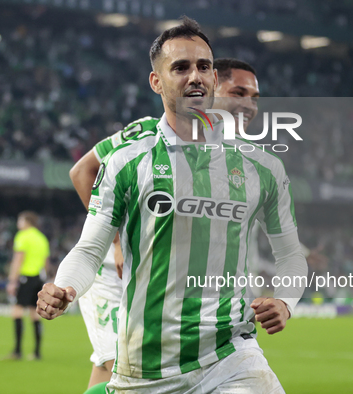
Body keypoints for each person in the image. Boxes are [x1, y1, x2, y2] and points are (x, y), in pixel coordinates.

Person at [39, 18, 307, 393]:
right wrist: (64, 287)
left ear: (214, 79)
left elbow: (291, 254)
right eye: (181, 68)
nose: (195, 76)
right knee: (104, 367)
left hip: (231, 355)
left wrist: (285, 302)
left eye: (203, 67)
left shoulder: (262, 168)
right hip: (147, 365)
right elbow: (88, 248)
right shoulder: (128, 161)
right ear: (157, 82)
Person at [68, 59, 260, 391]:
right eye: (237, 92)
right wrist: (116, 242)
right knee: (122, 365)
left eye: (254, 97)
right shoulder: (148, 133)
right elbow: (81, 171)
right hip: (119, 273)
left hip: (169, 277)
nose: (247, 104)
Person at [4, 211, 50, 360]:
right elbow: (46, 263)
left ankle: (17, 351)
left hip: (26, 277)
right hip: (39, 278)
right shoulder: (42, 238)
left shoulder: (23, 236)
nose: (18, 223)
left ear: (26, 222)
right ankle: (37, 352)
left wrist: (12, 281)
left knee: (17, 311)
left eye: (20, 220)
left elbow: (18, 259)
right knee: (35, 314)